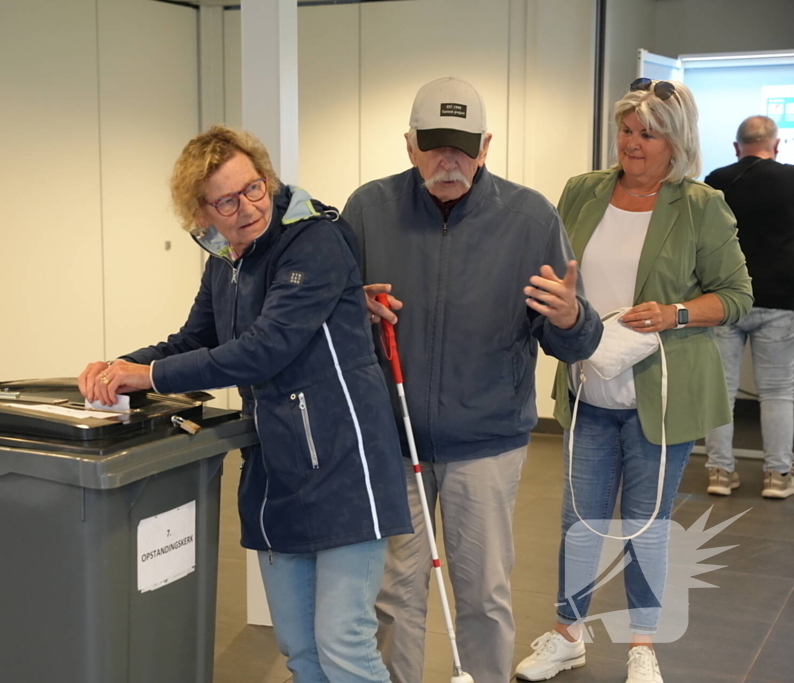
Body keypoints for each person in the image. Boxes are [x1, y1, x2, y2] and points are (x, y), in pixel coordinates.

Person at [78, 125, 412, 683]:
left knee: (344, 644)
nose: (248, 208)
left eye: (254, 188)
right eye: (227, 201)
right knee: (300, 650)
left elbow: (264, 350)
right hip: (277, 469)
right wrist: (118, 368)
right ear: (202, 212)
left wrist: (150, 375)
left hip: (345, 464)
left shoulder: (314, 239)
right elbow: (195, 340)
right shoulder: (225, 261)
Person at [342, 76, 603, 683]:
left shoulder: (529, 217)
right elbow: (327, 317)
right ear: (409, 145)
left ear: (485, 146)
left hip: (486, 442)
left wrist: (572, 317)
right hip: (393, 440)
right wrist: (350, 304)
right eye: (434, 145)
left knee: (483, 595)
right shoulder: (367, 210)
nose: (448, 160)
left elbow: (574, 339)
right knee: (393, 596)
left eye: (462, 147)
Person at [516, 80, 753, 683]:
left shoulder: (701, 204)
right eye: (626, 130)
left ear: (675, 141)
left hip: (662, 397)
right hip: (587, 391)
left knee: (646, 522)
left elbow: (736, 296)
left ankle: (642, 643)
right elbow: (551, 270)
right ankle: (568, 634)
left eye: (647, 133)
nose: (632, 143)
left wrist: (673, 312)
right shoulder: (582, 191)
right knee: (580, 519)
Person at [703, 115, 794, 499]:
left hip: (725, 300)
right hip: (782, 299)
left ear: (737, 147)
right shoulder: (792, 178)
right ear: (775, 146)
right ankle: (778, 475)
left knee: (720, 389)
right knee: (778, 391)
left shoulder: (717, 181)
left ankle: (720, 472)